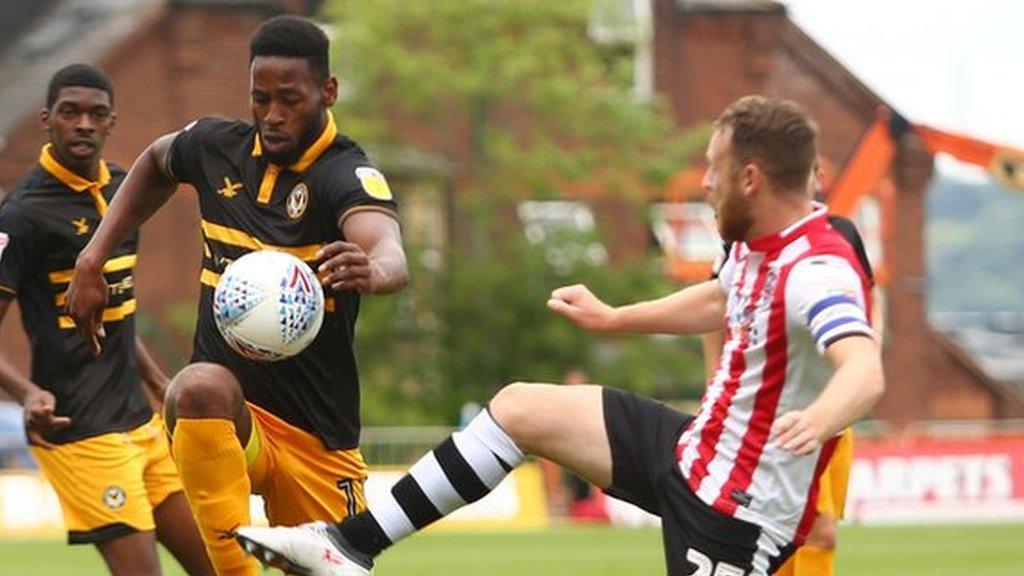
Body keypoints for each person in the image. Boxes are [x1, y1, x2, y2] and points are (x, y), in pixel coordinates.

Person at [233, 95, 885, 576]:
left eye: (715, 168)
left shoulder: (817, 268)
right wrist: (615, 317)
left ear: (751, 178)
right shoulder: (753, 236)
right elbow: (721, 297)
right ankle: (348, 547)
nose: (706, 182)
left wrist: (820, 418)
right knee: (520, 409)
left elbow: (864, 368)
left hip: (737, 513)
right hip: (692, 450)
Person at [65, 16, 408, 576]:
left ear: (327, 91)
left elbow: (387, 246)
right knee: (197, 384)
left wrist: (374, 268)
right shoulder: (216, 148)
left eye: (289, 100)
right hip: (229, 419)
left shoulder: (344, 173)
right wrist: (92, 258)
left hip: (316, 439)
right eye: (260, 98)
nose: (272, 115)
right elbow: (155, 161)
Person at [0, 64, 212, 576]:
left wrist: (156, 380)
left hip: (141, 421)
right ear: (47, 120)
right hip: (79, 428)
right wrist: (26, 393)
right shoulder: (20, 215)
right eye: (70, 112)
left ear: (112, 122)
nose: (83, 124)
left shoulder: (123, 192)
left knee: (223, 566)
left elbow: (115, 312)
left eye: (96, 114)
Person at [704, 211, 875, 576]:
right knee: (796, 527)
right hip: (762, 411)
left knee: (815, 531)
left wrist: (853, 379)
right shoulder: (742, 240)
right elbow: (715, 306)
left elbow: (866, 310)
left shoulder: (841, 235)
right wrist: (714, 384)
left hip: (826, 413)